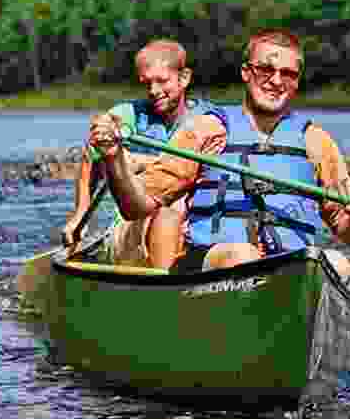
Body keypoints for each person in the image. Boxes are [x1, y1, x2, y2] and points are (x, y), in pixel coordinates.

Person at [88, 29, 350, 281]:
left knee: (337, 264)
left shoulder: (317, 143)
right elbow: (135, 207)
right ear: (246, 73)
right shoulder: (205, 130)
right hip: (210, 265)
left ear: (297, 81)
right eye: (266, 70)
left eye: (288, 74)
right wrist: (113, 158)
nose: (276, 81)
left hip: (288, 268)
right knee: (243, 256)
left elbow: (349, 234)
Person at [61, 38, 226, 270]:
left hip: (192, 224)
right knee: (169, 210)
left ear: (184, 78)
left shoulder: (208, 119)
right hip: (134, 223)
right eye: (146, 83)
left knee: (180, 210)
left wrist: (139, 162)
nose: (153, 91)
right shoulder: (128, 115)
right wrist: (79, 215)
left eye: (162, 81)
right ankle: (165, 287)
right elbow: (91, 155)